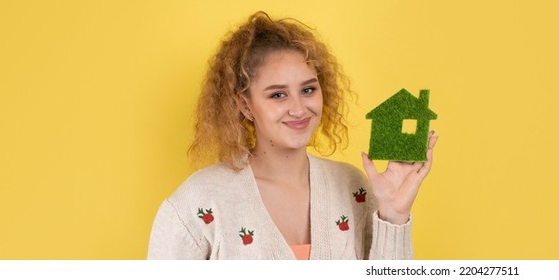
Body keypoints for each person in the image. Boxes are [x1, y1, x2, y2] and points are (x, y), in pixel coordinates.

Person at [147, 11, 438, 260]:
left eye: (308, 89)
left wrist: (394, 214)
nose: (298, 109)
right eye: (278, 95)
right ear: (245, 105)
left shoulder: (354, 189)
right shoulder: (198, 203)